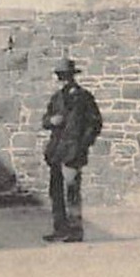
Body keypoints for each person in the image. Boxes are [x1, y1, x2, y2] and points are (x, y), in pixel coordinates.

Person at [41, 57, 102, 243]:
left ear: (72, 76)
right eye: (61, 76)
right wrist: (51, 121)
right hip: (56, 152)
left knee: (72, 190)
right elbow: (45, 120)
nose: (64, 79)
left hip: (73, 151)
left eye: (66, 76)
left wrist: (82, 145)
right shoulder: (56, 98)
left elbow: (95, 123)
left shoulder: (84, 98)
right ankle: (60, 229)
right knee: (56, 191)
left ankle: (75, 230)